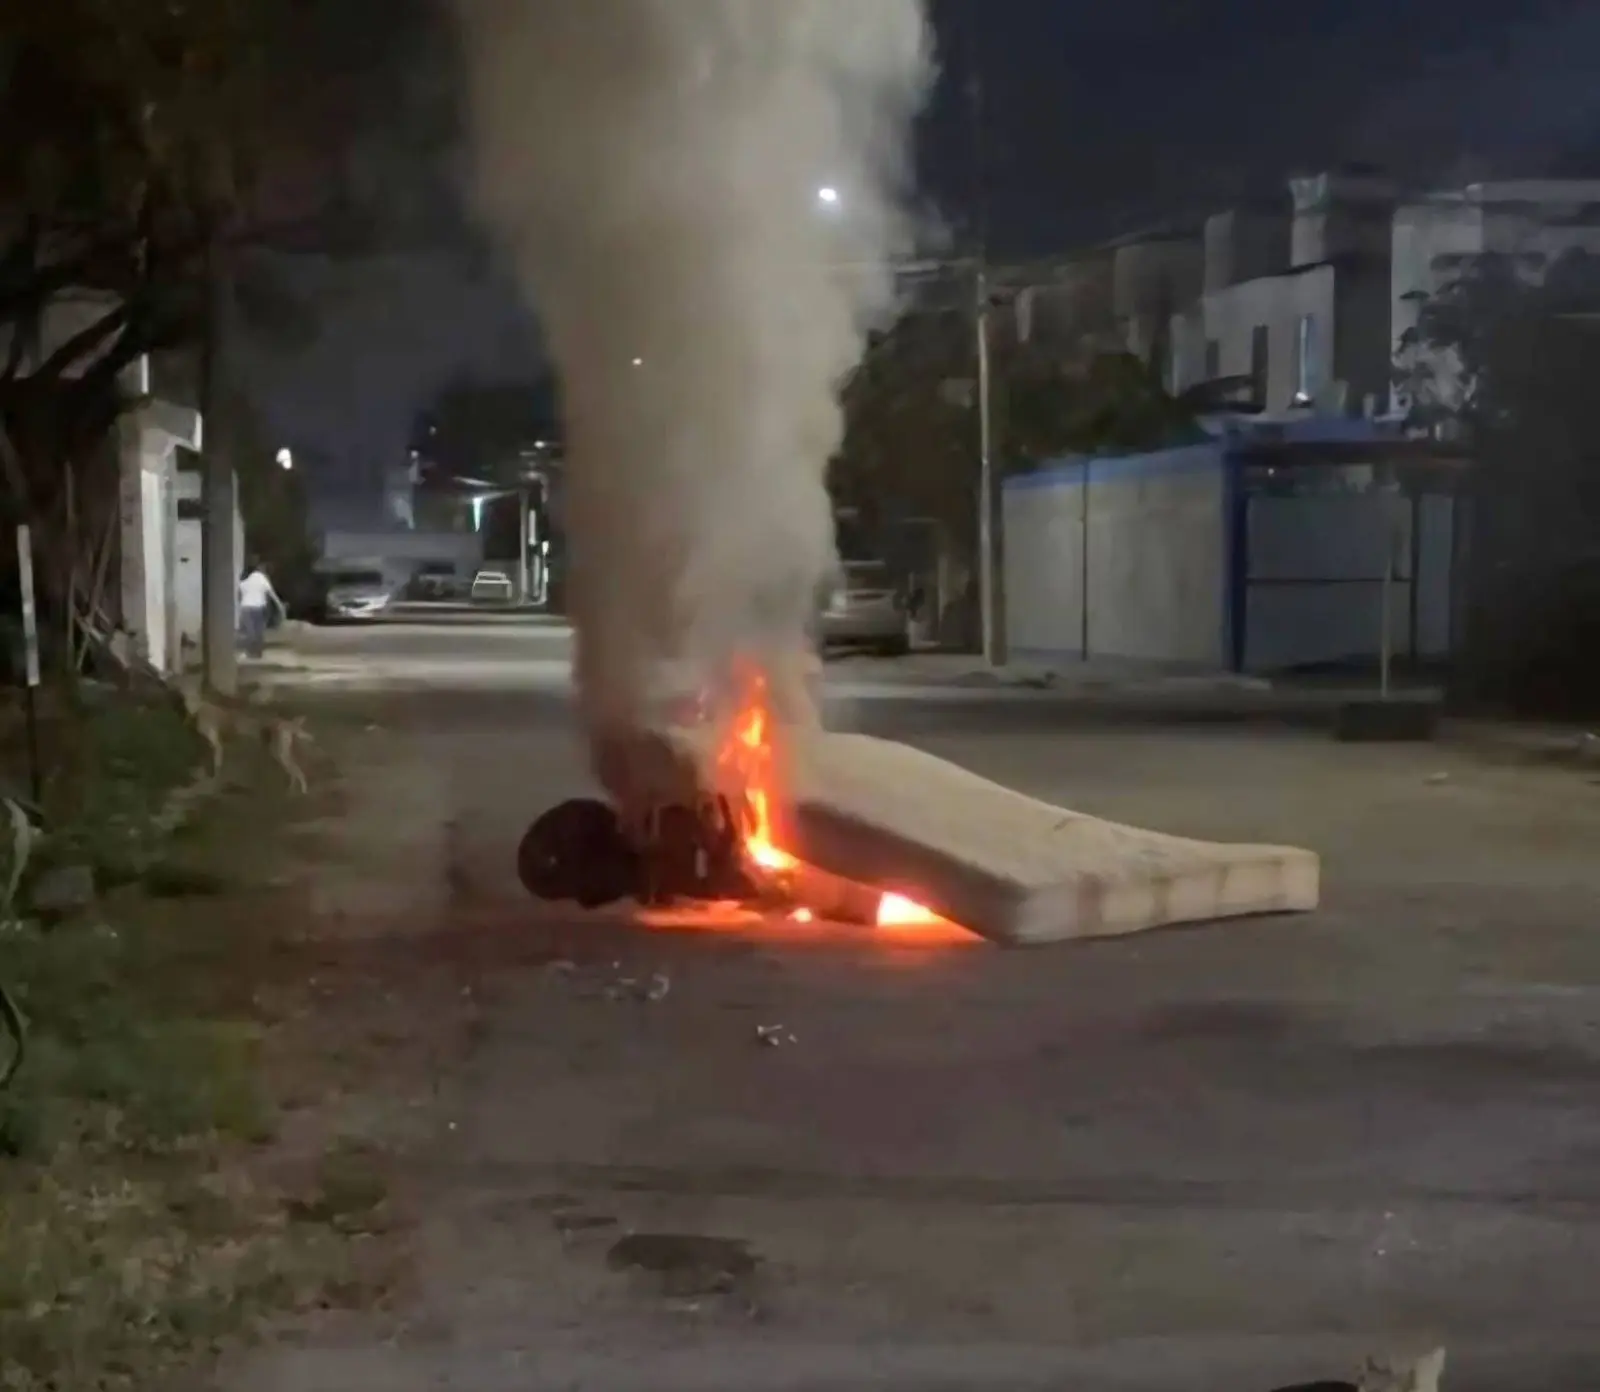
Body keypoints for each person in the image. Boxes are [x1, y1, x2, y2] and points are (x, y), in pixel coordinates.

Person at [237, 560, 286, 659]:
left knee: (249, 632)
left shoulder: (244, 579)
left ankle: (249, 653)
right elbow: (271, 593)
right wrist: (280, 606)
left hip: (246, 607)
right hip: (259, 608)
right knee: (259, 631)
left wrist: (241, 604)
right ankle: (258, 653)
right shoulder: (262, 578)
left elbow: (239, 595)